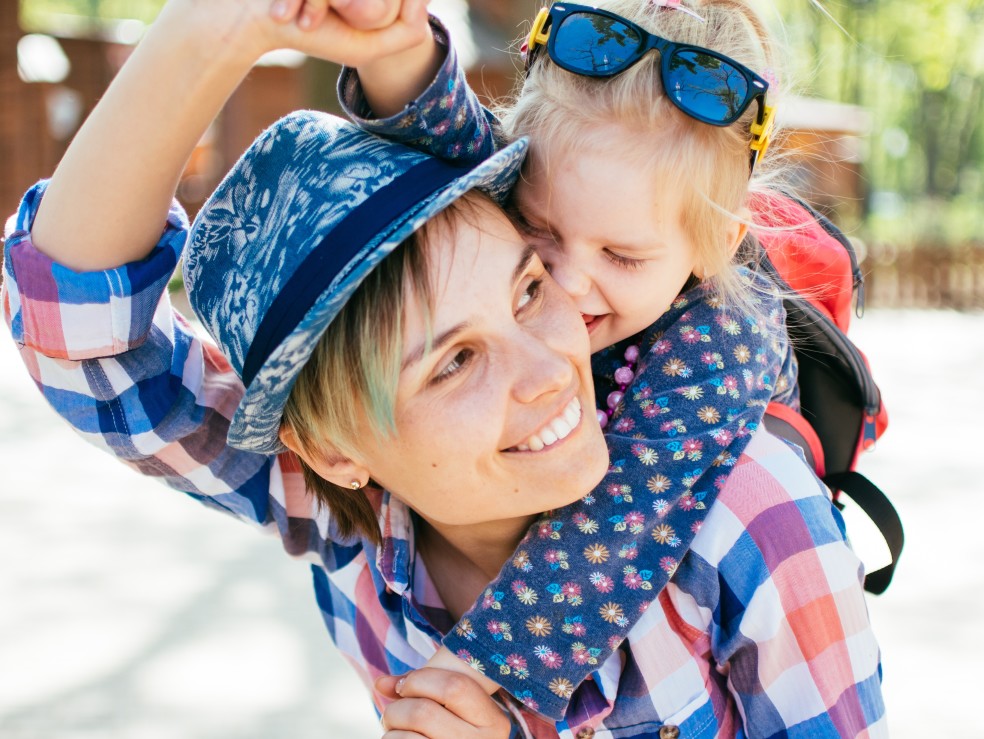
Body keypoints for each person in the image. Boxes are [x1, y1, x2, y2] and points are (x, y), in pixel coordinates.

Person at [2, 1, 885, 737]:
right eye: (456, 360)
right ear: (333, 449)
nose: (551, 361)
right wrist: (209, 31)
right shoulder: (340, 506)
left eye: (527, 288)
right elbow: (83, 346)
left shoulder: (752, 524)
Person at [278, 0, 880, 725]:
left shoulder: (724, 340)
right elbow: (446, 146)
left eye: (621, 256)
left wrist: (483, 662)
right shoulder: (540, 213)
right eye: (537, 228)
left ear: (716, 242)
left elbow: (627, 510)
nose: (565, 280)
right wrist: (387, 46)